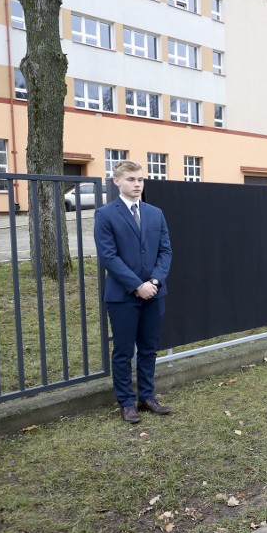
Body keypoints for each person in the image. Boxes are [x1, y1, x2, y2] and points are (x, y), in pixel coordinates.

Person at [94, 160, 172, 424]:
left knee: (149, 348)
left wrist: (155, 282)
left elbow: (165, 251)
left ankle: (147, 396)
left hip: (154, 293)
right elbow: (109, 256)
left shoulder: (155, 213)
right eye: (131, 179)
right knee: (124, 351)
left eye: (140, 179)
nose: (137, 184)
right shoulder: (105, 215)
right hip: (123, 296)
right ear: (117, 181)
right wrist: (137, 286)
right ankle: (126, 402)